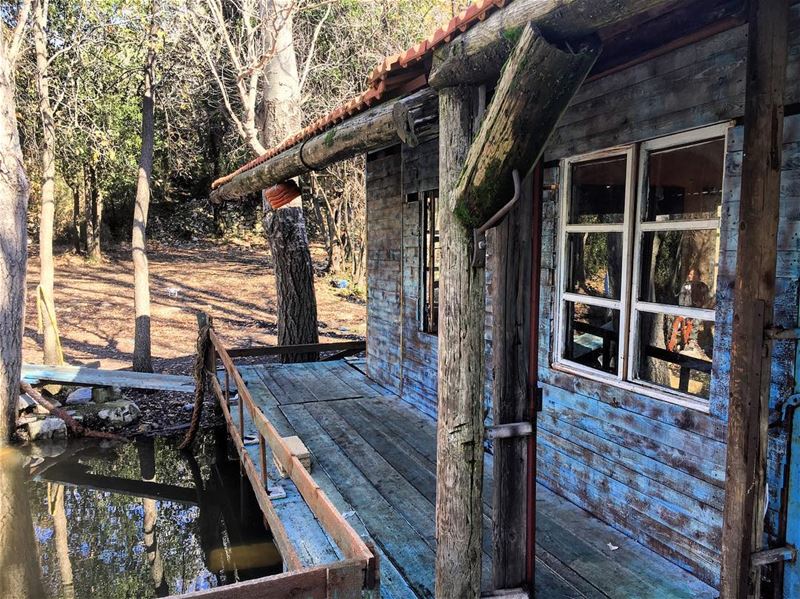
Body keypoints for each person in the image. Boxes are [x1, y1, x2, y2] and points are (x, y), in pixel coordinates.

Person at [668, 268, 710, 352]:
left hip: (697, 311)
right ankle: (672, 344)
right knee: (677, 322)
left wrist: (701, 306)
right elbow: (681, 297)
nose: (691, 276)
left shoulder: (703, 286)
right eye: (690, 274)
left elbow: (706, 299)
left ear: (698, 276)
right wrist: (681, 309)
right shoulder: (685, 285)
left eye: (694, 275)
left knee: (695, 322)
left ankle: (692, 340)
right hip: (685, 310)